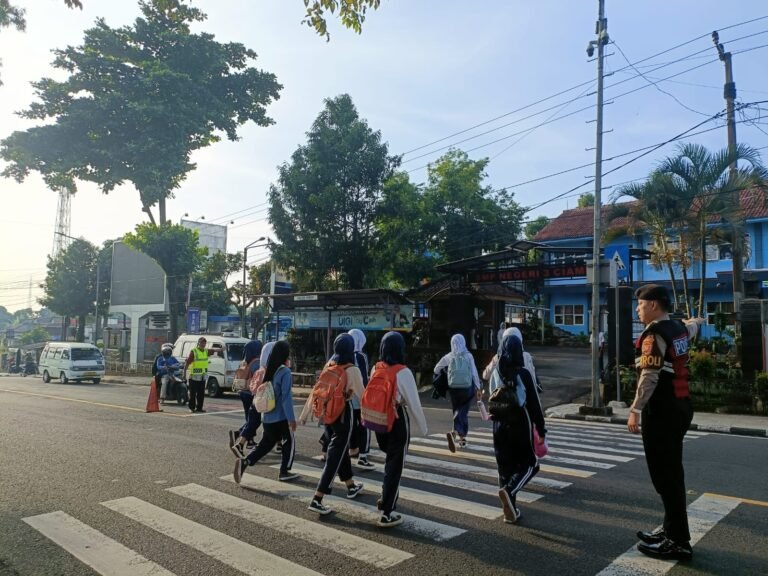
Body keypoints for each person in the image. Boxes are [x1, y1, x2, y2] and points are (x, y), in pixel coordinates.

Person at [630, 284, 703, 562]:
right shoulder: (677, 329)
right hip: (682, 406)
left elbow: (649, 377)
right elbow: (693, 326)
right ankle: (671, 529)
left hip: (662, 411)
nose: (637, 309)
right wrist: (695, 320)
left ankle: (678, 542)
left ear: (653, 305)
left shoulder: (654, 335)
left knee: (665, 475)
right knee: (671, 472)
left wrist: (635, 409)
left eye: (640, 304)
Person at [370, 331, 428, 528]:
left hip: (379, 422)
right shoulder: (403, 372)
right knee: (395, 466)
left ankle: (386, 497)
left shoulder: (375, 368)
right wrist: (424, 429)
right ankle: (387, 512)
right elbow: (414, 404)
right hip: (397, 420)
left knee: (389, 462)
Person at [490, 332, 546, 524]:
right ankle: (510, 491)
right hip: (519, 421)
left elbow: (492, 395)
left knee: (505, 468)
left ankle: (510, 511)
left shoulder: (496, 371)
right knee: (531, 464)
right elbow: (533, 404)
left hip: (499, 423)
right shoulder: (523, 373)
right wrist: (541, 429)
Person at [307, 334, 366, 515]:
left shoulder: (329, 366)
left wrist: (306, 413)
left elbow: (316, 391)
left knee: (340, 451)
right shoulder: (352, 369)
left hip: (327, 416)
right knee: (335, 455)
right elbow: (363, 396)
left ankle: (350, 485)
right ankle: (318, 498)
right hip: (343, 415)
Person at [234, 340, 298, 483]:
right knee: (289, 442)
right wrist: (291, 419)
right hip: (281, 417)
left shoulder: (268, 369)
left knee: (266, 444)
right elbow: (286, 397)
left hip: (267, 416)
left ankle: (246, 462)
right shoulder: (284, 372)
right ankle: (284, 471)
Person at [433, 334, 482, 452]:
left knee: (457, 410)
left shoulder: (449, 356)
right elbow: (474, 373)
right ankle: (454, 433)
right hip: (467, 387)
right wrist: (478, 387)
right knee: (463, 412)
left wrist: (445, 372)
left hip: (453, 388)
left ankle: (462, 439)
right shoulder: (468, 356)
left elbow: (436, 369)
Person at [228, 340, 264, 457]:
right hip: (251, 393)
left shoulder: (244, 361)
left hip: (243, 392)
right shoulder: (257, 363)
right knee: (254, 419)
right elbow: (257, 380)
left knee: (250, 418)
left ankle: (248, 440)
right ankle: (239, 435)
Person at [483, 327, 541, 393]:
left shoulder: (497, 357)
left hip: (500, 397)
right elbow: (532, 378)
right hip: (522, 398)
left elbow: (485, 375)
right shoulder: (526, 356)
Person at [347, 328, 374, 469]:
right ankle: (363, 456)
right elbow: (363, 378)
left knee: (351, 423)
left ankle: (352, 448)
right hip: (360, 395)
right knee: (364, 425)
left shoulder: (344, 354)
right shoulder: (360, 356)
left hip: (348, 396)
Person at [184, 337, 208, 413]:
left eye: (204, 343)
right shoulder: (194, 352)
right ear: (198, 343)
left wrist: (221, 349)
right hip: (193, 376)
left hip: (202, 377)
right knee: (193, 393)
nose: (203, 344)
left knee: (201, 394)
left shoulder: (206, 351)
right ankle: (191, 408)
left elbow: (215, 350)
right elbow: (187, 363)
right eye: (201, 343)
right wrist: (184, 373)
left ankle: (199, 408)